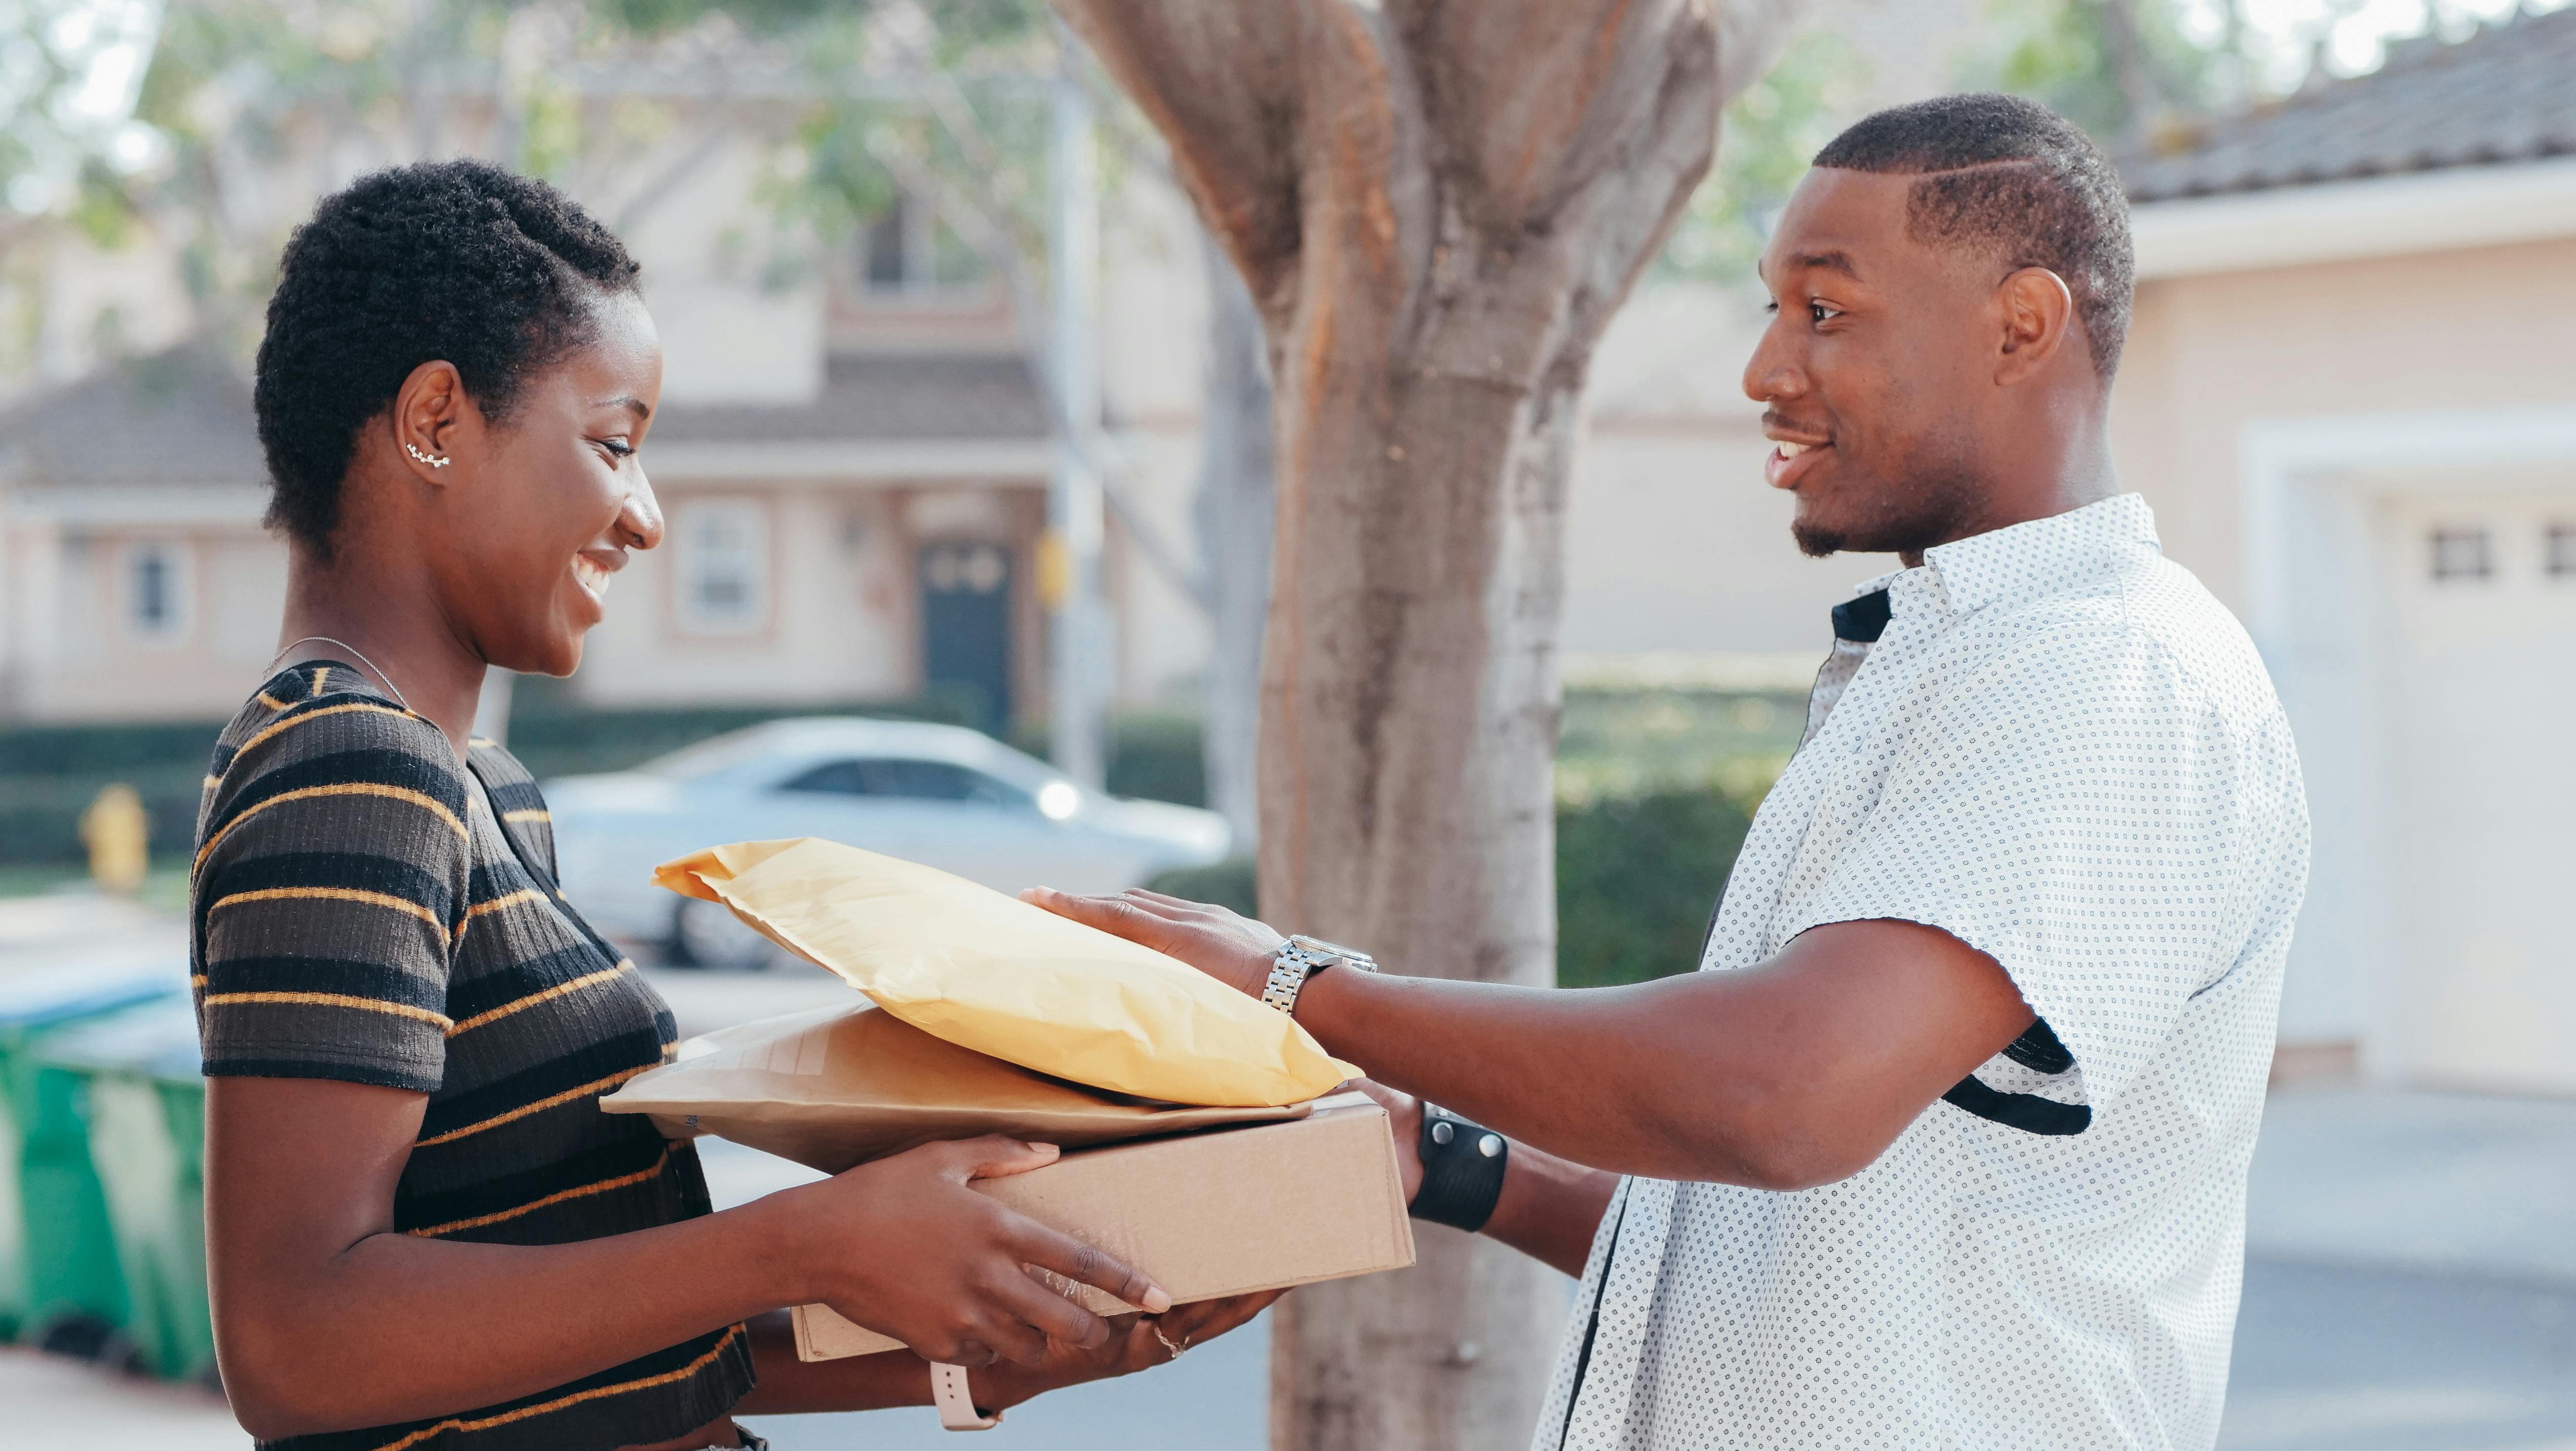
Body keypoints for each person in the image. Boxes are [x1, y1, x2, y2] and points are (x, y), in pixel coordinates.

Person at [1028, 94, 2310, 1451]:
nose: (1765, 370)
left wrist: (1296, 991)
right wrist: (1448, 1161)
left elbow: (1783, 1096)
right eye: (1773, 311)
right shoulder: (1963, 664)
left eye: (1824, 312)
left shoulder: (2100, 673)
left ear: (2021, 325)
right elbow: (1784, 1264)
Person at [197, 159, 1272, 1451]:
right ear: (435, 420)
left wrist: (992, 1342)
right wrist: (806, 1239)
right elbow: (297, 1345)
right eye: (614, 443)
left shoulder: (482, 790)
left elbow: (611, 1347)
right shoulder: (346, 765)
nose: (644, 518)